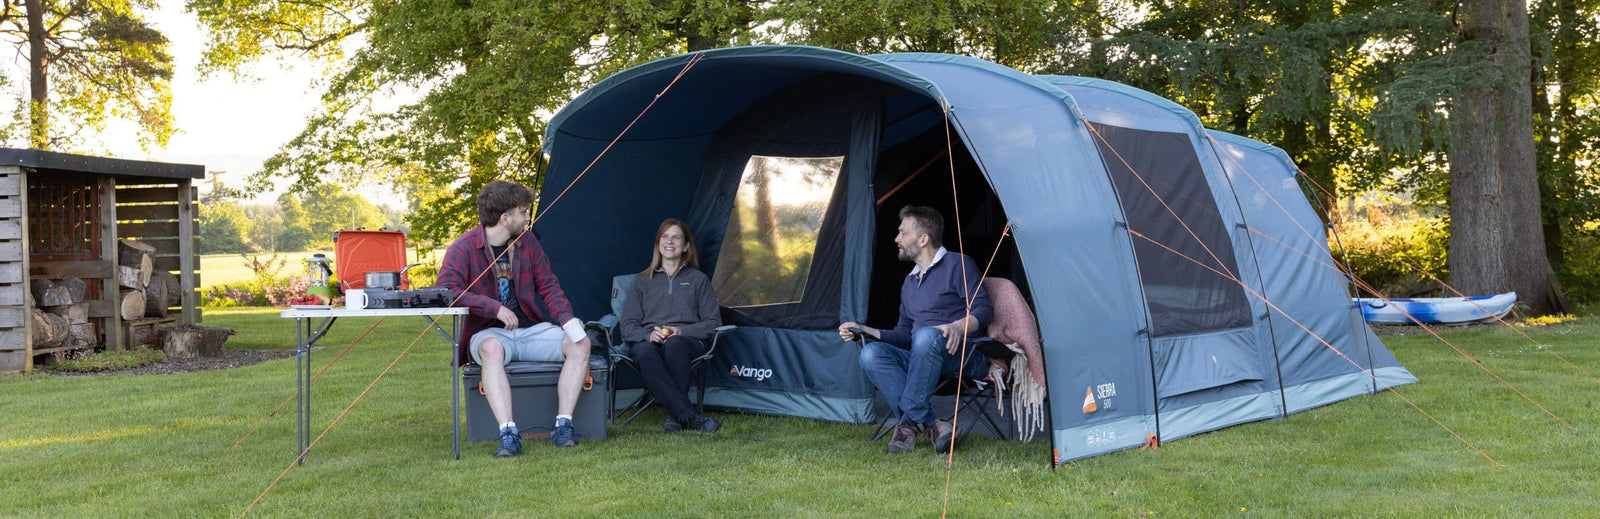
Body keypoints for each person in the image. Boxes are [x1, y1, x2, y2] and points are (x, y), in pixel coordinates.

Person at [437, 180, 592, 457]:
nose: (527, 217)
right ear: (505, 218)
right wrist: (493, 308)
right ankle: (509, 434)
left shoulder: (527, 242)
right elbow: (447, 293)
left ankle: (563, 426)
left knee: (581, 343)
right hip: (489, 333)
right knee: (492, 348)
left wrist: (569, 322)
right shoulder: (463, 248)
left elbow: (548, 286)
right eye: (522, 211)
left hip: (530, 330)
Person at [839, 206, 992, 454]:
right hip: (921, 355)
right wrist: (862, 328)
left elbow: (984, 309)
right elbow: (902, 335)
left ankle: (907, 424)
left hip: (962, 355)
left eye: (902, 233)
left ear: (923, 239)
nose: (896, 239)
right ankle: (934, 424)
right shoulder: (909, 282)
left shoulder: (958, 264)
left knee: (926, 336)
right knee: (870, 354)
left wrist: (956, 326)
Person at [618, 219, 724, 433]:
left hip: (687, 341)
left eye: (676, 237)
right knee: (644, 351)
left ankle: (677, 415)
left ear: (686, 246)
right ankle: (686, 416)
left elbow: (713, 323)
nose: (669, 241)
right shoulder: (642, 281)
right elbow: (628, 325)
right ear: (658, 244)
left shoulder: (698, 280)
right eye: (665, 236)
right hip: (650, 340)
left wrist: (682, 331)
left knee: (675, 344)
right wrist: (648, 335)